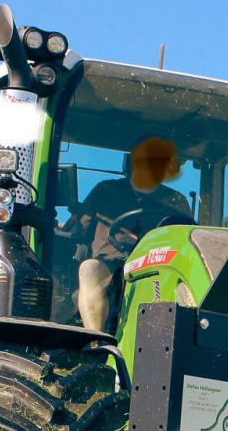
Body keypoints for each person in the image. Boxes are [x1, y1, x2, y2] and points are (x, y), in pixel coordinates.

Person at [66, 136, 194, 331]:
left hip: (154, 269)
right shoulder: (106, 190)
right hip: (108, 268)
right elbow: (78, 230)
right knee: (89, 269)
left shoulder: (176, 202)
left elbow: (185, 241)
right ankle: (96, 339)